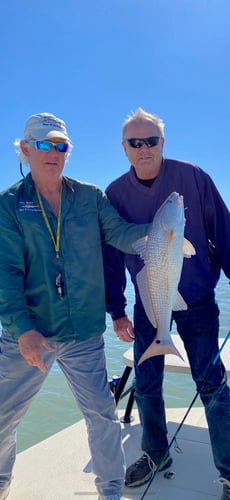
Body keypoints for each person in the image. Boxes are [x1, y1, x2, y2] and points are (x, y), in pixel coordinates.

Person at [0, 112, 150, 500]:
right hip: (29, 335)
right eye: (44, 145)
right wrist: (23, 330)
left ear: (68, 152)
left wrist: (165, 229)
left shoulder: (89, 197)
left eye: (61, 145)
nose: (53, 152)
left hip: (83, 332)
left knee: (103, 417)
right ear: (25, 149)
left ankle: (111, 491)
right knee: (3, 418)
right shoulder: (9, 205)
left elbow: (120, 234)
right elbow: (6, 272)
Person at [103, 108, 230, 500]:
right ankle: (155, 453)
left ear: (163, 142)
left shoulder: (192, 177)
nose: (144, 148)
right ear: (124, 148)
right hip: (149, 303)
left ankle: (228, 471)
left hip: (197, 301)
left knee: (212, 385)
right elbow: (109, 252)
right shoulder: (115, 193)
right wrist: (116, 308)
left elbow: (223, 230)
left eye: (151, 141)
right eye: (134, 142)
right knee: (147, 382)